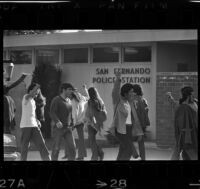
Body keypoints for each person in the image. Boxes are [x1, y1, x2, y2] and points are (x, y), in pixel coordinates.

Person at [109, 71, 138, 160]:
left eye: (133, 92)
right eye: (131, 92)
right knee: (129, 149)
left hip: (129, 129)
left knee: (123, 149)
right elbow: (115, 91)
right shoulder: (119, 101)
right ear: (125, 93)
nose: (133, 93)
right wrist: (118, 79)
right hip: (120, 129)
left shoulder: (131, 102)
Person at [20, 83, 51, 161]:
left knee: (41, 143)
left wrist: (37, 121)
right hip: (26, 126)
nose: (37, 94)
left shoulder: (33, 101)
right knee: (25, 146)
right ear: (30, 91)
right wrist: (37, 86)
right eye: (36, 92)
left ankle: (47, 159)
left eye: (37, 93)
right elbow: (30, 94)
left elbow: (33, 113)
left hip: (34, 126)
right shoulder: (25, 97)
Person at [166, 86, 198, 160]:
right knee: (189, 152)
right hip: (187, 135)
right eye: (192, 95)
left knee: (184, 154)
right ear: (188, 96)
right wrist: (170, 97)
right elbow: (175, 104)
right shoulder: (183, 107)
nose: (194, 96)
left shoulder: (194, 103)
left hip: (193, 134)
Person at [50, 83, 76, 161]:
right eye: (69, 89)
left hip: (68, 128)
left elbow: (70, 114)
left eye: (72, 90)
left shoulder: (69, 101)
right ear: (63, 90)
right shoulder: (56, 100)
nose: (71, 91)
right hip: (58, 129)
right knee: (56, 149)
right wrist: (57, 121)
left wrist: (72, 122)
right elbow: (52, 112)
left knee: (72, 148)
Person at [62, 85, 89, 160]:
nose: (68, 95)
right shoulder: (82, 98)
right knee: (81, 139)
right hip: (81, 121)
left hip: (75, 122)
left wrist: (73, 124)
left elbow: (74, 114)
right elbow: (88, 97)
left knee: (67, 136)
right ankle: (81, 156)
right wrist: (85, 89)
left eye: (69, 94)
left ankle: (67, 154)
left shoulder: (73, 102)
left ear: (72, 94)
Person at [3, 65, 28, 134]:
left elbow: (14, 84)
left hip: (7, 102)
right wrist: (23, 77)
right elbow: (14, 84)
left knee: (7, 118)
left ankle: (7, 130)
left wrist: (23, 77)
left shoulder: (5, 86)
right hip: (7, 102)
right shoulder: (6, 87)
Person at [84, 87, 107, 161]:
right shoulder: (100, 101)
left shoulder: (90, 102)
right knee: (92, 140)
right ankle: (99, 153)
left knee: (92, 141)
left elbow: (88, 114)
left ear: (89, 94)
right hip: (99, 124)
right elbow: (104, 113)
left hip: (91, 124)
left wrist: (86, 123)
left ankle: (95, 156)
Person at [129, 84, 150, 160]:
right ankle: (143, 158)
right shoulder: (144, 100)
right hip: (143, 124)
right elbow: (146, 112)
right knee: (141, 142)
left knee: (127, 139)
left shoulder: (132, 100)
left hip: (134, 123)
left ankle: (135, 154)